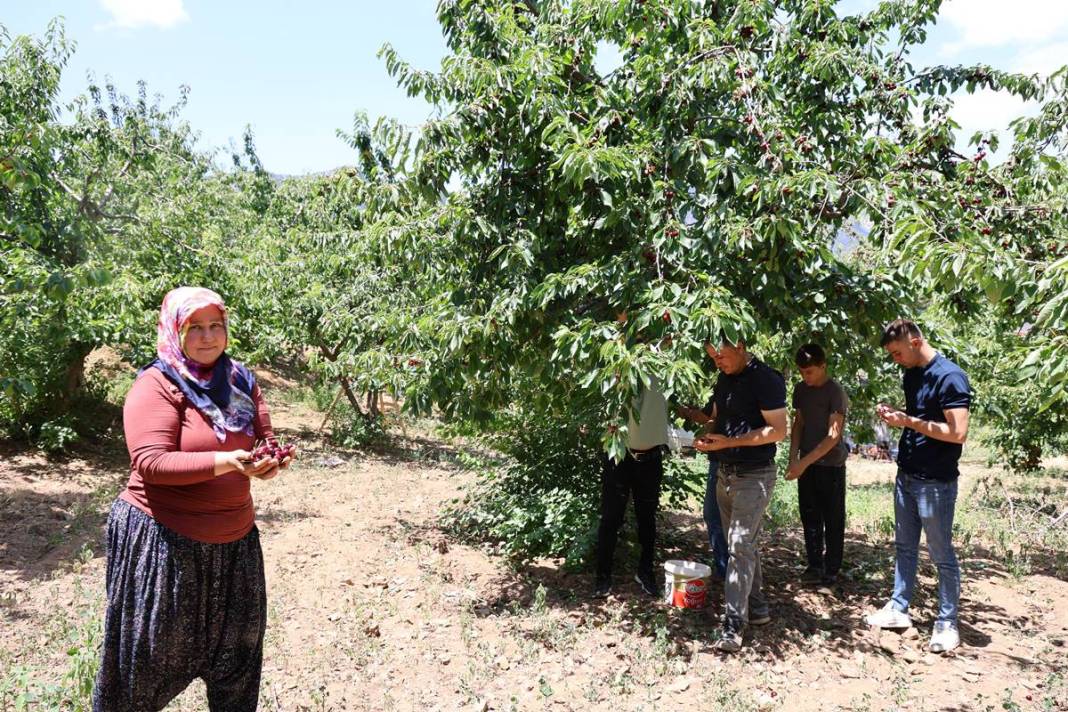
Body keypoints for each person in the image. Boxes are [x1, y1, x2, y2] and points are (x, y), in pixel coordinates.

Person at [93, 287, 293, 711]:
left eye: (216, 325)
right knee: (144, 669)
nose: (208, 337)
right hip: (165, 543)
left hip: (235, 545)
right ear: (175, 331)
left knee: (236, 666)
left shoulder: (241, 381)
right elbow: (150, 462)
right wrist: (226, 461)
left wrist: (268, 463)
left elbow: (265, 442)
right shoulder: (158, 383)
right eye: (195, 327)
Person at [865, 319, 971, 654]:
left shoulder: (950, 376)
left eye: (897, 352)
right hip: (906, 475)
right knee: (905, 547)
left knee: (941, 554)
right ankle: (898, 608)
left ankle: (947, 622)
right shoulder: (911, 374)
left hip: (936, 482)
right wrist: (898, 416)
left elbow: (957, 433)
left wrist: (907, 421)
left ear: (915, 342)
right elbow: (918, 418)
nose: (895, 359)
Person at [694, 335, 787, 652]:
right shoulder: (723, 378)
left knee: (738, 546)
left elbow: (778, 431)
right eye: (713, 357)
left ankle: (734, 625)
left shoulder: (766, 379)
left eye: (721, 355)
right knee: (744, 546)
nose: (717, 361)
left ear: (741, 346)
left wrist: (728, 443)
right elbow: (718, 420)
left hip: (754, 475)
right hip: (724, 472)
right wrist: (707, 438)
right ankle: (757, 608)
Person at [593, 376, 669, 599]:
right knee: (610, 518)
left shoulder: (664, 367)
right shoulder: (619, 366)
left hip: (651, 458)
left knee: (647, 518)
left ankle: (645, 573)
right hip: (619, 456)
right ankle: (602, 577)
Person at [786, 343, 850, 586]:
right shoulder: (801, 390)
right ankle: (814, 565)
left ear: (823, 366)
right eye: (802, 372)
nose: (805, 377)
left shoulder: (835, 392)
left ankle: (832, 569)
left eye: (810, 371)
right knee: (809, 515)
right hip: (806, 464)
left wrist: (803, 462)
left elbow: (833, 436)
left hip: (831, 465)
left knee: (833, 518)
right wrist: (794, 458)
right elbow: (799, 424)